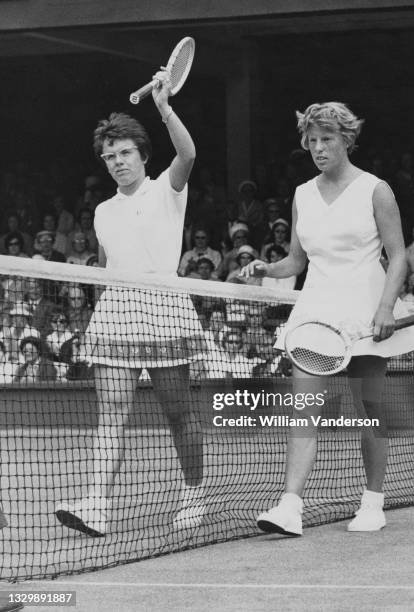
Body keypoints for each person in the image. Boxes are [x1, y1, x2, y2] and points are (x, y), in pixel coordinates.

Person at [241, 102, 414, 535]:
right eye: (312, 141)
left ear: (347, 140)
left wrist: (384, 307)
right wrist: (269, 269)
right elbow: (296, 260)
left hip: (365, 311)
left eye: (327, 140)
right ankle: (290, 506)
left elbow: (398, 256)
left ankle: (373, 501)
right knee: (303, 409)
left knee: (369, 410)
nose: (318, 148)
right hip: (316, 316)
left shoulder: (376, 190)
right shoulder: (303, 194)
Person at [55, 67, 205, 537]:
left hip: (164, 308)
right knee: (112, 413)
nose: (117, 162)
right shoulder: (102, 212)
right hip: (118, 313)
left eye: (124, 153)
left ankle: (195, 494)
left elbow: (189, 152)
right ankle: (97, 502)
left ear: (142, 156)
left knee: (178, 414)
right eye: (109, 156)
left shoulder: (167, 190)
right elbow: (107, 267)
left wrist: (163, 106)